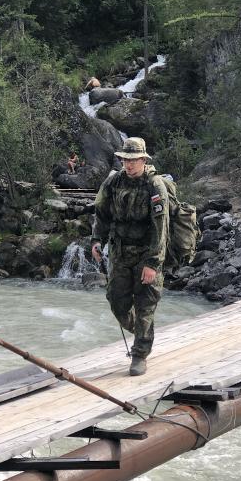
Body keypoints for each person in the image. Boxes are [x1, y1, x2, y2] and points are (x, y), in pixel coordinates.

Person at [91, 137, 169, 376]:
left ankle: (140, 354)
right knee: (117, 301)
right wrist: (96, 240)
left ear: (143, 160)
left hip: (146, 253)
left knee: (145, 304)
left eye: (134, 160)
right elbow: (102, 214)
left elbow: (160, 229)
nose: (129, 164)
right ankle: (145, 333)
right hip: (120, 253)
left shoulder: (155, 186)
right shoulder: (113, 182)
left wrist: (152, 263)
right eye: (125, 160)